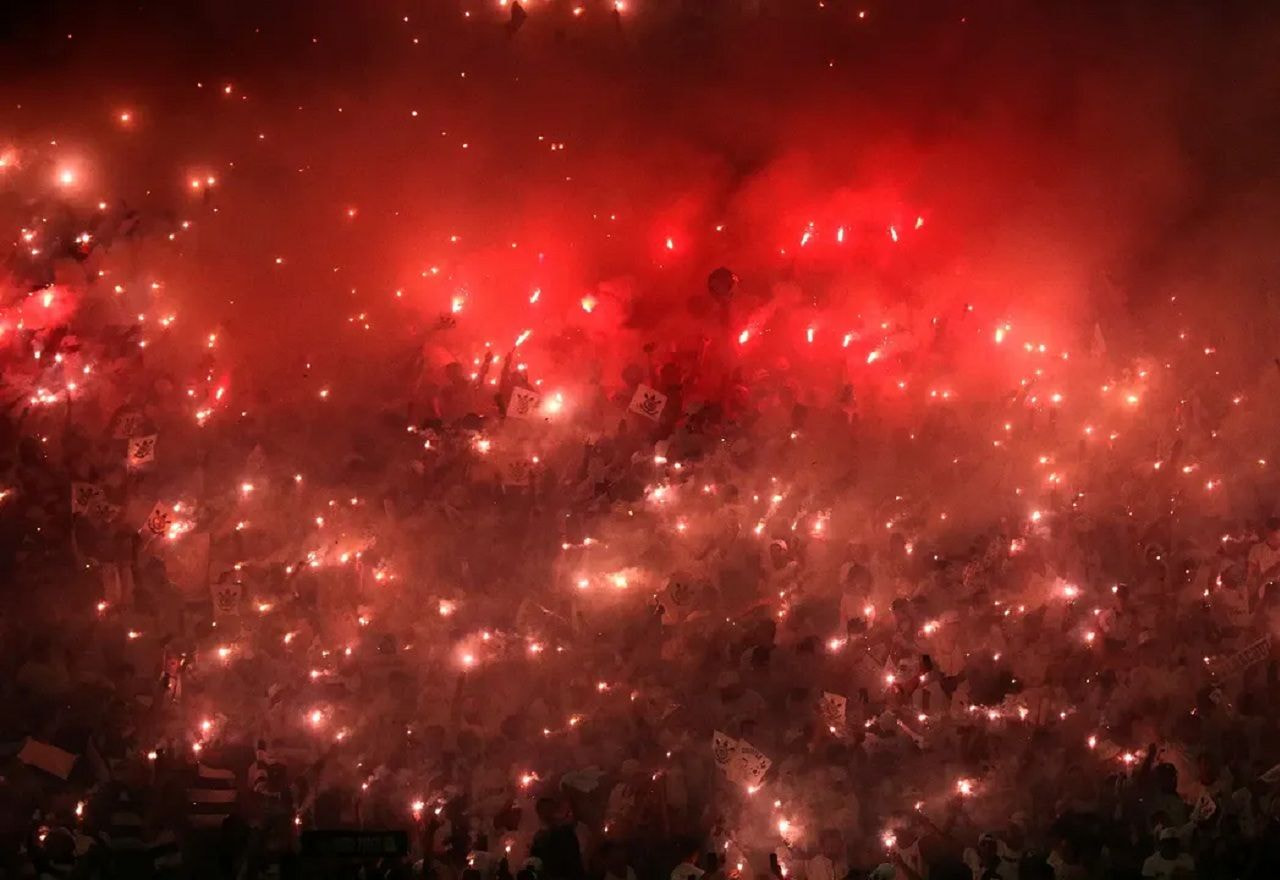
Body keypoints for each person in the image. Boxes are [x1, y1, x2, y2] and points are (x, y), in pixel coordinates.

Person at [531, 797, 585, 880]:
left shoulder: (566, 833)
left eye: (550, 809)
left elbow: (574, 864)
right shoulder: (540, 838)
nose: (548, 813)